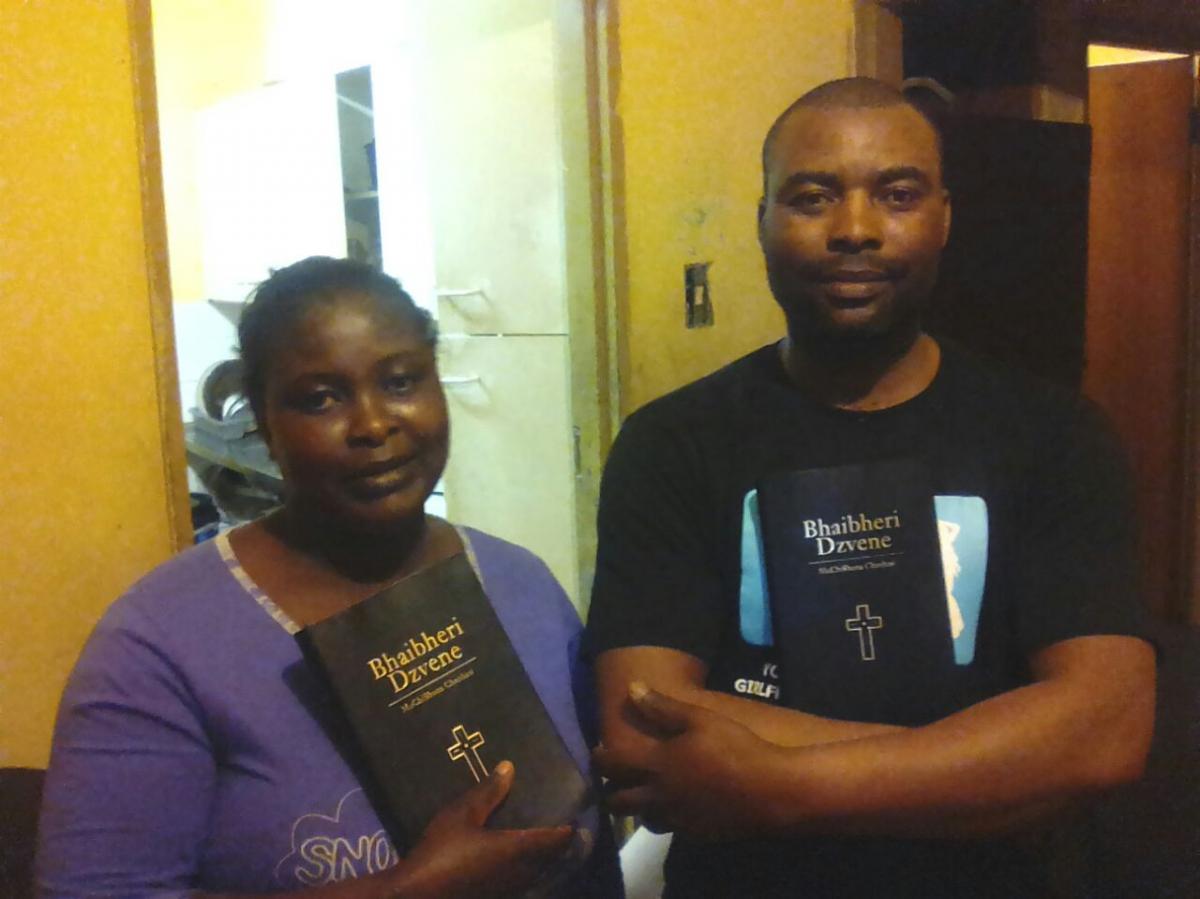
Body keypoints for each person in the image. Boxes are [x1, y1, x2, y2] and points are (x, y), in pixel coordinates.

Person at [586, 77, 1157, 898]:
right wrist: (992, 766)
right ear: (763, 221)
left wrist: (779, 786)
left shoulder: (1055, 437)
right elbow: (642, 725)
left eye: (897, 194)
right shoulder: (671, 443)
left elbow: (1105, 729)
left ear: (945, 217)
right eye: (813, 197)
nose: (854, 228)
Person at [36, 257, 623, 898]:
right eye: (320, 399)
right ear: (263, 423)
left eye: (401, 382)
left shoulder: (521, 586)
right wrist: (404, 890)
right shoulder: (159, 645)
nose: (373, 424)